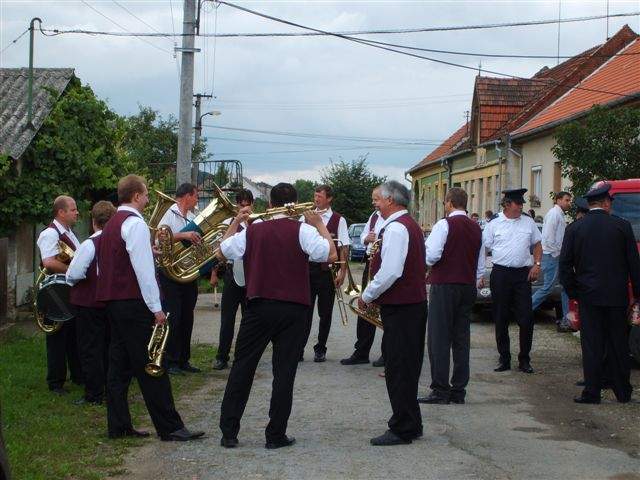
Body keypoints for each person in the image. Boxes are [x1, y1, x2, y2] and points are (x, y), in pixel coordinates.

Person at [218, 183, 337, 449]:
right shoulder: (304, 230)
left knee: (242, 367)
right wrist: (320, 224)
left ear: (270, 205)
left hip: (258, 306)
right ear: (294, 205)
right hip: (294, 309)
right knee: (284, 372)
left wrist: (237, 221)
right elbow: (330, 254)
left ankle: (229, 431)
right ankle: (275, 435)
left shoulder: (253, 230)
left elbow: (222, 250)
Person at [96, 174, 204, 441]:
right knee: (152, 364)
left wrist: (149, 251)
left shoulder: (111, 224)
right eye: (145, 195)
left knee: (119, 367)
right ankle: (170, 427)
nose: (147, 199)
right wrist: (156, 308)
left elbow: (116, 260)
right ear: (135, 197)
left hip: (114, 302)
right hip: (133, 304)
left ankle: (119, 426)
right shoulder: (135, 224)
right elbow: (143, 272)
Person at [358, 181, 427, 446]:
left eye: (377, 199)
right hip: (409, 306)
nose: (375, 203)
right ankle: (412, 421)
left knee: (399, 368)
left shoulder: (397, 228)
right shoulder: (404, 224)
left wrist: (367, 295)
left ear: (390, 200)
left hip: (403, 308)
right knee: (405, 367)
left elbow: (391, 271)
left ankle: (403, 427)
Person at [559, 183, 640, 404]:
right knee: (618, 344)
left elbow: (564, 266)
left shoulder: (575, 229)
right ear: (605, 203)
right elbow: (635, 264)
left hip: (588, 296)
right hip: (616, 296)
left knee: (592, 344)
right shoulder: (622, 227)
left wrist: (574, 291)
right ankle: (623, 392)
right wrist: (637, 296)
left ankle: (592, 392)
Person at [419, 187, 483, 405]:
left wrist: (423, 264)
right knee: (461, 338)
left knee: (438, 338)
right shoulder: (476, 228)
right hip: (467, 284)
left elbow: (432, 254)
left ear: (449, 203)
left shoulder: (444, 224)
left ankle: (439, 389)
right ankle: (459, 390)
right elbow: (480, 262)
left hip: (445, 284)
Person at [482, 188, 542, 374]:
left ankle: (524, 359)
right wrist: (480, 273)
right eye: (517, 203)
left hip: (522, 275)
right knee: (501, 317)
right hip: (501, 274)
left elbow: (538, 244)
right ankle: (504, 358)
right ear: (507, 204)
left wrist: (537, 264)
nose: (520, 207)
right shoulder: (494, 223)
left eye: (522, 204)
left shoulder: (528, 222)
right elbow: (485, 247)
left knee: (526, 318)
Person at [66, 200, 116, 405]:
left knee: (90, 349)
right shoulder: (118, 242)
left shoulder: (90, 244)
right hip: (111, 302)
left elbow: (75, 273)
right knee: (108, 347)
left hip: (89, 303)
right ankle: (109, 387)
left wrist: (70, 279)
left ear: (94, 221)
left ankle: (94, 394)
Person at [36, 195, 83, 395]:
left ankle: (78, 375)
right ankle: (55, 383)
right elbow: (48, 262)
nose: (77, 212)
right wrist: (73, 271)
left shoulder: (69, 233)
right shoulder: (50, 233)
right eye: (73, 209)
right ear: (61, 212)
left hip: (66, 291)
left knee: (72, 335)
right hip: (55, 293)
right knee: (57, 338)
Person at [302, 184, 350, 362]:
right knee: (304, 311)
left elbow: (344, 246)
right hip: (307, 269)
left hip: (327, 271)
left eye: (320, 196)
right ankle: (299, 347)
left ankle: (320, 348)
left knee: (325, 312)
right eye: (315, 195)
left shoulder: (339, 220)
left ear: (329, 199)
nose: (316, 199)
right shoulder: (305, 216)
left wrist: (343, 272)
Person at [157, 183, 201, 375]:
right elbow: (159, 238)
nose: (197, 199)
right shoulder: (168, 213)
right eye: (195, 195)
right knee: (173, 317)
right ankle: (170, 360)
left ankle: (184, 359)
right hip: (170, 273)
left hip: (187, 272)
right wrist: (185, 234)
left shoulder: (192, 217)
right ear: (187, 196)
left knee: (187, 317)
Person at [341, 186, 385, 366]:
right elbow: (363, 236)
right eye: (373, 199)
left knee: (385, 309)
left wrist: (375, 238)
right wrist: (368, 238)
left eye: (376, 199)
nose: (373, 202)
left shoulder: (392, 219)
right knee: (365, 306)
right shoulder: (374, 216)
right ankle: (362, 351)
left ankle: (387, 353)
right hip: (370, 261)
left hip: (383, 263)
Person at [212, 189, 254, 371]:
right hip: (231, 273)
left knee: (249, 318)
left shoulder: (259, 222)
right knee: (227, 318)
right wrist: (214, 273)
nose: (244, 207)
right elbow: (220, 249)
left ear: (252, 204)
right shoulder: (229, 223)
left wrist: (250, 222)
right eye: (241, 204)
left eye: (247, 204)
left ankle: (245, 355)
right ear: (237, 205)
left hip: (251, 273)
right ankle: (222, 356)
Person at [531, 191, 572, 332]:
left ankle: (567, 317)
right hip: (552, 255)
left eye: (569, 200)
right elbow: (547, 238)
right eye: (567, 200)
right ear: (558, 200)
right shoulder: (554, 214)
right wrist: (557, 252)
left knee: (565, 286)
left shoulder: (559, 214)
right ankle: (526, 310)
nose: (569, 203)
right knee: (548, 287)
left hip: (556, 255)